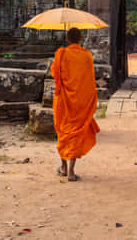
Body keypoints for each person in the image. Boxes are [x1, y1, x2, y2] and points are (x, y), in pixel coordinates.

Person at [51, 27, 100, 181]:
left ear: (67, 38)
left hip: (64, 100)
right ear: (81, 39)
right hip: (81, 101)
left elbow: (54, 74)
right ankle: (71, 171)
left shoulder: (61, 54)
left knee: (63, 132)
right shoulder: (87, 56)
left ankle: (63, 167)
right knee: (76, 134)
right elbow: (90, 80)